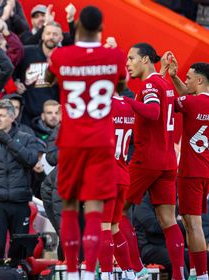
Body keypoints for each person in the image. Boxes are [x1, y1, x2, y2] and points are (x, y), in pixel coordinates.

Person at [46, 6, 126, 280]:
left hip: (71, 141)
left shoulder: (61, 55)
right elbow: (122, 86)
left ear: (77, 24)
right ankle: (90, 272)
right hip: (101, 142)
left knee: (68, 206)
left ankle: (71, 271)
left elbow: (49, 79)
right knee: (95, 211)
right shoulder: (115, 56)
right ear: (101, 28)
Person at [122, 42, 184, 280]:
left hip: (147, 159)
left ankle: (136, 269)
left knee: (117, 212)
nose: (128, 63)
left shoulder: (149, 85)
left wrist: (126, 101)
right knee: (168, 221)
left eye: (131, 58)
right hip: (168, 161)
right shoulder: (163, 83)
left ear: (146, 59)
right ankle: (179, 275)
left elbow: (153, 112)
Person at [167, 60, 209, 279]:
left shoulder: (191, 103)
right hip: (206, 171)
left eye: (188, 77)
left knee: (193, 225)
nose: (185, 81)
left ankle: (201, 275)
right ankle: (195, 270)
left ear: (200, 80)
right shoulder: (203, 102)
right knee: (189, 222)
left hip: (190, 171)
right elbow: (188, 96)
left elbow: (171, 103)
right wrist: (176, 78)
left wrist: (165, 75)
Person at [0, 99, 39, 261]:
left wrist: (8, 141)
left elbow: (31, 160)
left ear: (12, 117)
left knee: (19, 250)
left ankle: (18, 275)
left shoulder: (26, 138)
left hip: (20, 201)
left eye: (2, 115)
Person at [98, 94, 136, 280]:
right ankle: (129, 272)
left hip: (104, 176)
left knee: (102, 227)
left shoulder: (101, 106)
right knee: (114, 227)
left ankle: (105, 274)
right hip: (122, 174)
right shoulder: (127, 106)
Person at [15, 22, 62, 126]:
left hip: (52, 118)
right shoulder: (27, 52)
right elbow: (10, 69)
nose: (51, 37)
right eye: (48, 33)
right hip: (27, 116)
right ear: (42, 35)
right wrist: (15, 83)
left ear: (61, 38)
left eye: (55, 34)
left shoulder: (64, 57)